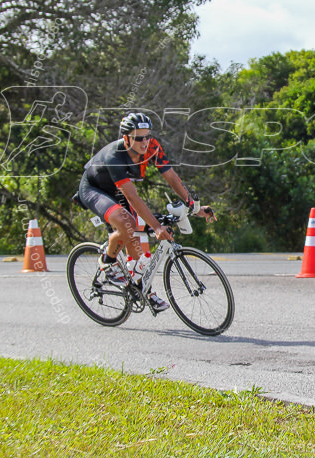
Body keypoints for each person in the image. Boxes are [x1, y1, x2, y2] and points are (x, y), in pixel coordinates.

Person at [76, 112, 216, 311]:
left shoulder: (152, 147)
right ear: (126, 138)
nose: (145, 142)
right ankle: (108, 261)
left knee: (133, 234)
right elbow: (133, 197)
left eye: (147, 136)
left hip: (117, 190)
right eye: (139, 137)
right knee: (128, 223)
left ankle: (141, 288)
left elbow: (171, 177)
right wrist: (157, 227)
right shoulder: (114, 157)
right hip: (94, 189)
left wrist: (193, 206)